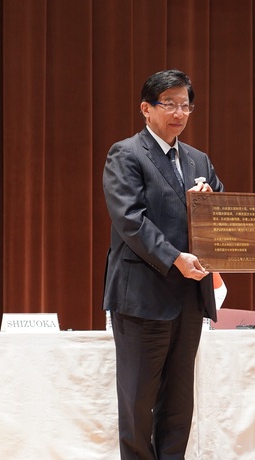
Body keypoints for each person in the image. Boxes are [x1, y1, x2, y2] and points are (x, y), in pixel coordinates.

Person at [102, 69, 224, 459]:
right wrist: (175, 259)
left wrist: (208, 197)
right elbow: (130, 220)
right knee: (138, 403)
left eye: (185, 104)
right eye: (168, 103)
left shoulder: (198, 159)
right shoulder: (127, 153)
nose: (179, 112)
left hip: (189, 298)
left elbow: (221, 212)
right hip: (142, 297)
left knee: (178, 404)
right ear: (146, 109)